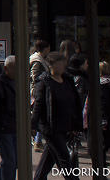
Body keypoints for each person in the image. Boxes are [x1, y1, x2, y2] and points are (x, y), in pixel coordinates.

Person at [31, 51, 82, 180]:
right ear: (52, 65)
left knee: (49, 157)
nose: (63, 66)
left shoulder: (67, 80)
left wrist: (76, 124)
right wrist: (33, 124)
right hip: (51, 127)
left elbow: (75, 102)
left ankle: (38, 178)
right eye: (61, 63)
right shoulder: (44, 82)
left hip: (66, 124)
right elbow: (38, 104)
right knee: (64, 158)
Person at [29, 39, 51, 152]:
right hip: (37, 91)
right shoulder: (37, 61)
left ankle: (37, 140)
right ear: (46, 48)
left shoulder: (40, 59)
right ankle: (37, 140)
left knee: (40, 114)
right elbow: (35, 76)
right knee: (40, 114)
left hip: (38, 90)